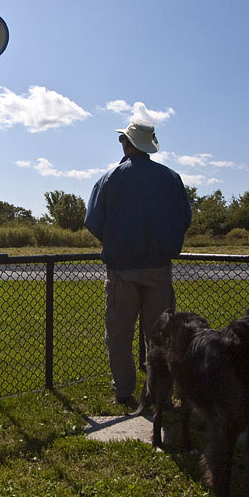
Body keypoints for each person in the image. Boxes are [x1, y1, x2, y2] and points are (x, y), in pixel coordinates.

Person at [85, 121, 193, 408]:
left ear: (125, 143)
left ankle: (123, 392)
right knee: (160, 336)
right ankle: (160, 394)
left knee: (119, 335)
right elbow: (185, 218)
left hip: (121, 270)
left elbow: (93, 221)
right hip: (159, 268)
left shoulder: (109, 178)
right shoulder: (171, 178)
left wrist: (116, 241)